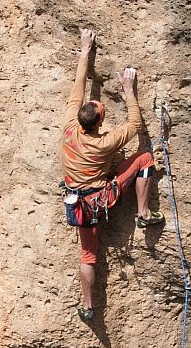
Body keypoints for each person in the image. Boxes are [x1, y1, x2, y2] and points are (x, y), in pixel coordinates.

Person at [61, 29, 164, 322]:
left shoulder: (70, 127)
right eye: (102, 112)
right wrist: (130, 91)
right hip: (100, 199)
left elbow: (79, 86)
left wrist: (85, 51)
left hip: (79, 207)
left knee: (87, 256)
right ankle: (144, 213)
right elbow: (134, 124)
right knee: (144, 158)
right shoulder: (105, 142)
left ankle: (88, 307)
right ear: (99, 123)